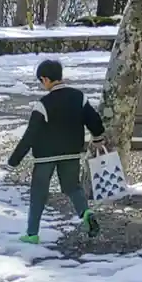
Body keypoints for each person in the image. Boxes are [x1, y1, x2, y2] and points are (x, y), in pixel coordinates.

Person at [7, 59, 105, 244]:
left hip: (45, 156)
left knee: (38, 193)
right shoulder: (79, 97)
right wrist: (98, 137)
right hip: (71, 152)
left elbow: (30, 135)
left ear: (45, 79)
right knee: (72, 187)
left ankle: (32, 234)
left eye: (41, 81)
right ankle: (86, 213)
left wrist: (14, 160)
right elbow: (94, 120)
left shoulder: (43, 104)